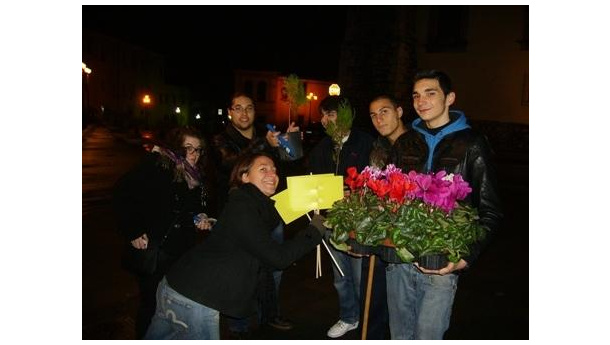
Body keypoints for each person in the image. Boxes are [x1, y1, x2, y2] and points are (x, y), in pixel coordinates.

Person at [143, 152, 327, 340]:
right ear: (244, 176)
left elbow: (272, 215)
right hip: (195, 300)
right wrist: (314, 231)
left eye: (274, 170)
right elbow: (278, 258)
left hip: (177, 288)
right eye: (263, 169)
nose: (272, 175)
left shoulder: (248, 203)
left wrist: (313, 196)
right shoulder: (243, 208)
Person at [382, 70, 503, 339]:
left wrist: (465, 257)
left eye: (430, 93)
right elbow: (389, 195)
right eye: (416, 95)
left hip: (442, 261)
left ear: (450, 98)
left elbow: (491, 210)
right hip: (399, 258)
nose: (421, 101)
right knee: (399, 335)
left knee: (428, 336)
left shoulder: (472, 144)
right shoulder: (405, 142)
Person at [211, 92, 299, 335]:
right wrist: (264, 145)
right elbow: (230, 164)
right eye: (238, 108)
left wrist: (290, 143)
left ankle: (269, 313)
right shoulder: (221, 139)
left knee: (275, 265)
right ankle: (238, 323)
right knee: (242, 269)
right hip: (238, 217)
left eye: (249, 108)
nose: (244, 113)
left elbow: (287, 166)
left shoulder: (266, 137)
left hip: (271, 212)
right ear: (230, 112)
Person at [113, 126, 214, 339]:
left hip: (181, 252)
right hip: (155, 251)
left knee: (171, 305)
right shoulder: (157, 164)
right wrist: (133, 231)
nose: (194, 154)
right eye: (188, 148)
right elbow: (122, 191)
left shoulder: (194, 175)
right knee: (151, 305)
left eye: (198, 149)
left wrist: (202, 216)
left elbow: (194, 206)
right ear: (177, 147)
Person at [307, 95, 377, 338]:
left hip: (359, 223)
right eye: (323, 115)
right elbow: (311, 182)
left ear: (346, 115)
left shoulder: (367, 143)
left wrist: (355, 192)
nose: (324, 121)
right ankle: (349, 317)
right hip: (331, 221)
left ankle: (367, 319)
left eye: (331, 114)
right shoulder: (321, 148)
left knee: (360, 276)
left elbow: (378, 182)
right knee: (340, 275)